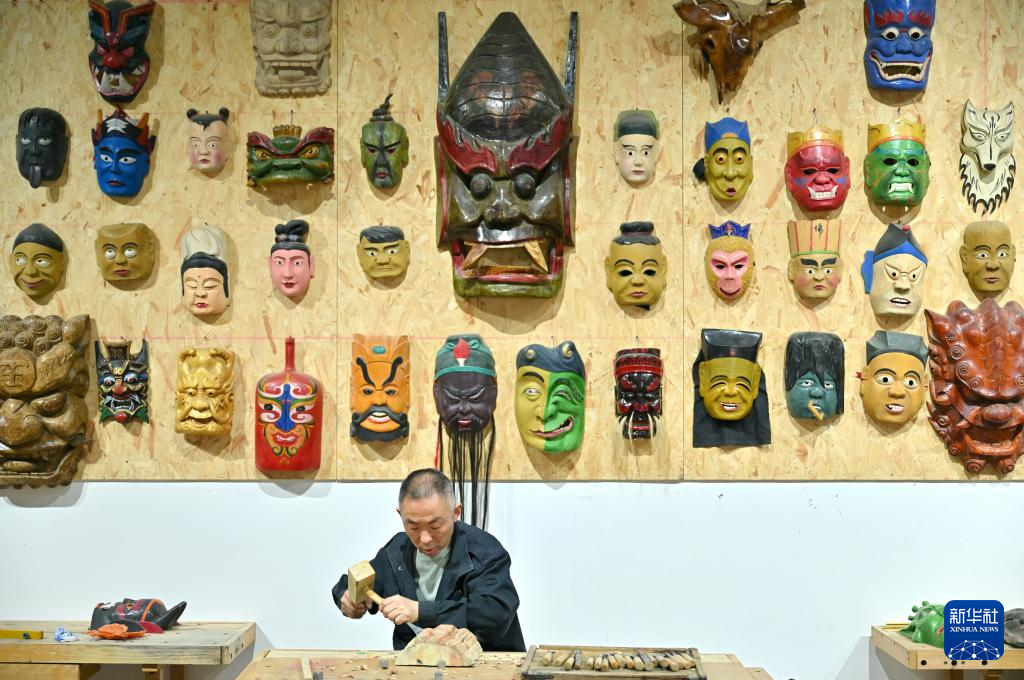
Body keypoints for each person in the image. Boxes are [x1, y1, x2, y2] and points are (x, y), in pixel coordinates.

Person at [331, 469, 525, 651]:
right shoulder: (397, 551)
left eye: (435, 526)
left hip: (484, 662)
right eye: (413, 527)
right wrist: (346, 597)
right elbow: (353, 583)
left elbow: (495, 612)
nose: (424, 539)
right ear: (400, 515)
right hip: (417, 665)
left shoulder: (483, 551)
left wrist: (421, 611)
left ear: (456, 512)